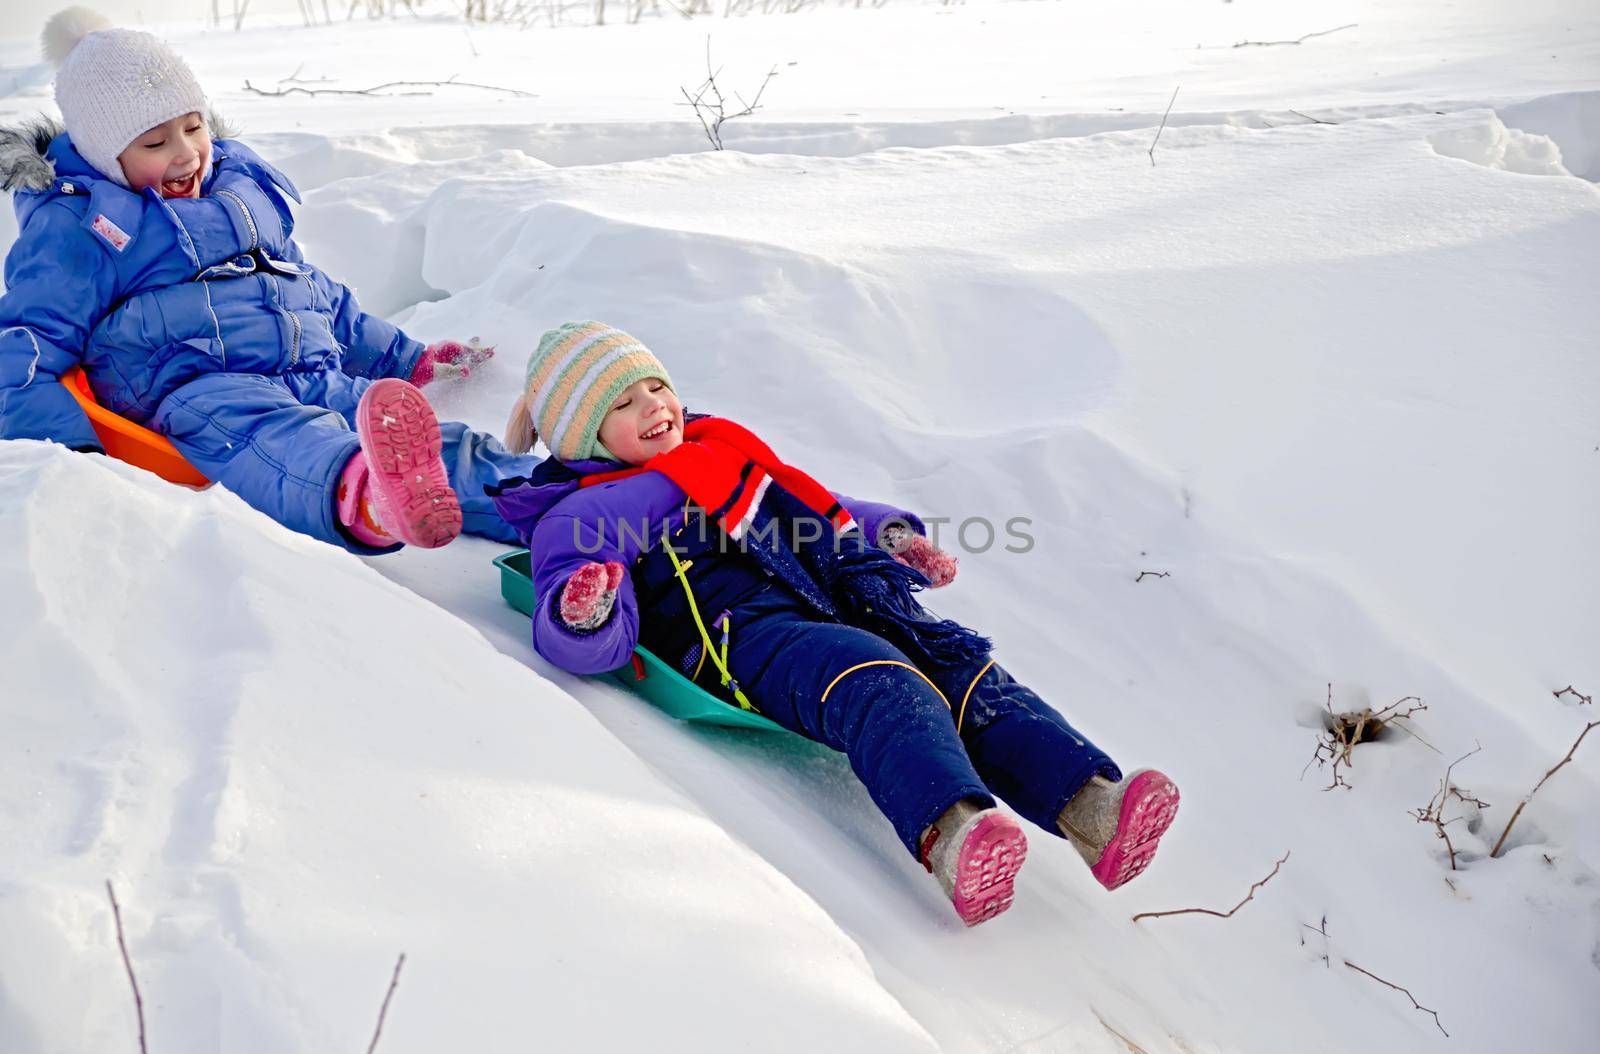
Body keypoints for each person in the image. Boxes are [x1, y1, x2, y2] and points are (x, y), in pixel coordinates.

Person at [488, 321, 1180, 926]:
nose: (653, 408)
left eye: (654, 387)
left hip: (830, 592)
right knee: (879, 680)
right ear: (583, 433)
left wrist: (890, 537)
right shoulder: (586, 513)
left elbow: (821, 503)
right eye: (621, 401)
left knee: (961, 666)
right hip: (741, 637)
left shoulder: (722, 451)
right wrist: (585, 609)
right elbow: (574, 636)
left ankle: (1095, 809)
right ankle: (955, 839)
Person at [0, 8, 532, 552]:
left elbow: (313, 293)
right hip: (197, 388)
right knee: (282, 441)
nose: (186, 153)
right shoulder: (82, 228)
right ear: (103, 157)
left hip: (308, 369)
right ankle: (368, 497)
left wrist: (403, 356)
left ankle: (548, 495)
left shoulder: (240, 196)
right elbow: (26, 347)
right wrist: (71, 456)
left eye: (193, 126)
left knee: (407, 433)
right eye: (155, 144)